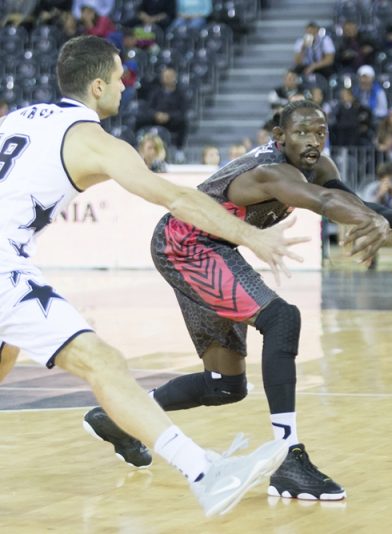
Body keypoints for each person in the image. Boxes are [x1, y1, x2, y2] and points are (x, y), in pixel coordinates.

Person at [0, 36, 306, 517]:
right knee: (104, 363)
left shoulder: (18, 119)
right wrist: (249, 235)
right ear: (97, 86)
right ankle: (205, 474)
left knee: (7, 353)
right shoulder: (93, 141)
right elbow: (175, 198)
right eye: (119, 78)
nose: (125, 87)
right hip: (4, 265)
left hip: (10, 263)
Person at [81, 99, 392, 501]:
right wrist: (370, 220)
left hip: (212, 245)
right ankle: (287, 458)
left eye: (319, 132)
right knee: (282, 319)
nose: (312, 140)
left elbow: (345, 200)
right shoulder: (269, 172)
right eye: (302, 132)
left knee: (224, 386)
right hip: (186, 245)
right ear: (279, 137)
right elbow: (324, 204)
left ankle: (120, 418)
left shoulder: (318, 167)